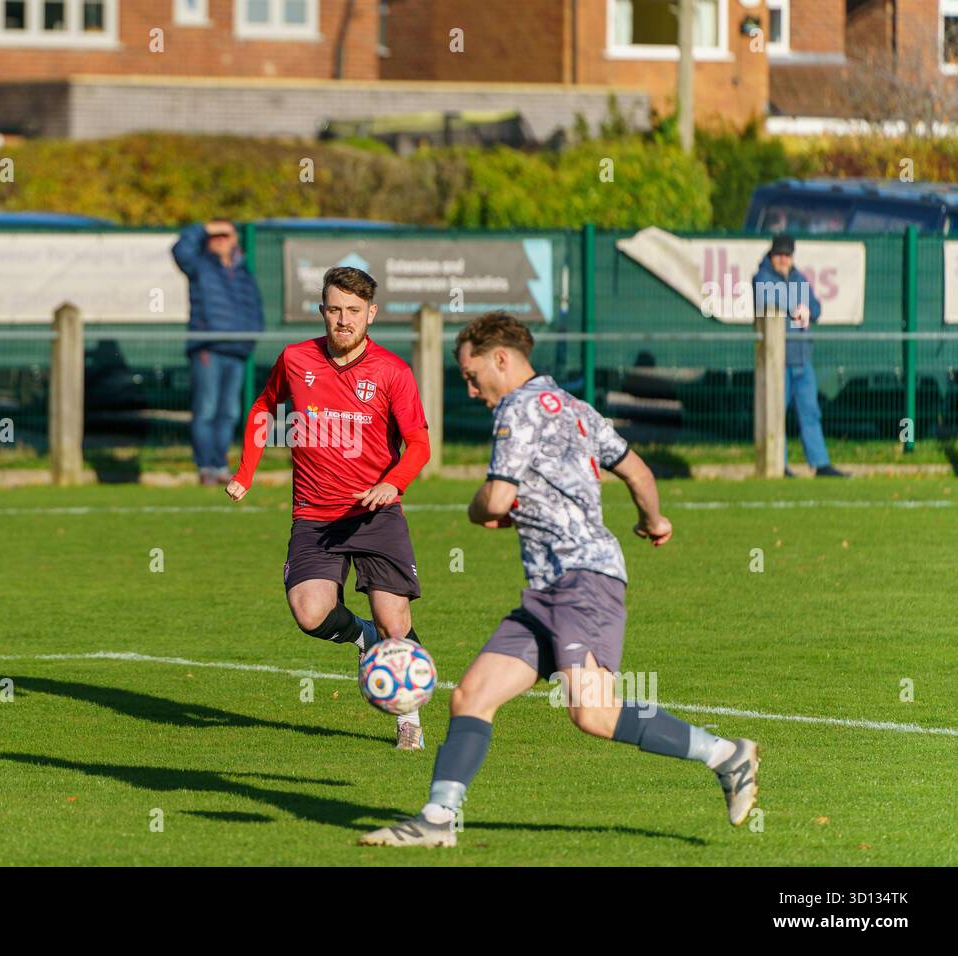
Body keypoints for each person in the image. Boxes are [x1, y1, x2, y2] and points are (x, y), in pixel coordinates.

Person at [359, 311, 760, 846]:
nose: (471, 388)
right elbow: (638, 472)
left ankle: (727, 755)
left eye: (471, 373)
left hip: (581, 581)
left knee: (592, 711)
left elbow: (496, 499)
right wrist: (653, 520)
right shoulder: (575, 407)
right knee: (471, 695)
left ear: (500, 359)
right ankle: (437, 820)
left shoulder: (516, 410)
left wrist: (480, 510)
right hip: (551, 590)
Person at [225, 266, 432, 750]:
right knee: (310, 612)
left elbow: (419, 442)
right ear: (323, 311)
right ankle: (362, 638)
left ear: (371, 314)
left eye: (354, 312)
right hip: (315, 513)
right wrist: (245, 472)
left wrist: (392, 483)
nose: (344, 320)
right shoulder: (296, 359)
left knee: (394, 621)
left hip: (375, 512)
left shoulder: (391, 371)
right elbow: (263, 407)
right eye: (335, 310)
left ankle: (408, 720)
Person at [171, 219, 264, 486]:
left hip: (236, 352)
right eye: (217, 235)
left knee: (229, 413)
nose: (221, 239)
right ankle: (206, 467)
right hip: (208, 349)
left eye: (227, 234)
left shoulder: (243, 271)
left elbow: (255, 308)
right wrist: (205, 228)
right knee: (207, 409)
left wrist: (249, 340)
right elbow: (180, 249)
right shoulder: (200, 264)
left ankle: (220, 464)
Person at [752, 234, 848, 478]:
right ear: (772, 255)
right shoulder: (762, 277)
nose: (783, 260)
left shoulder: (799, 278)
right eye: (779, 255)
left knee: (810, 412)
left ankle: (820, 463)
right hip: (777, 361)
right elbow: (767, 300)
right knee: (776, 414)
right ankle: (778, 465)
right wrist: (796, 305)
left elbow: (815, 308)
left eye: (787, 255)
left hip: (802, 358)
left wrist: (805, 309)